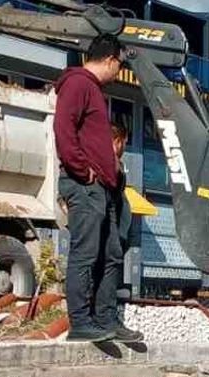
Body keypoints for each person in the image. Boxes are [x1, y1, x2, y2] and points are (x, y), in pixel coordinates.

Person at [55, 36, 143, 344]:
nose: (119, 72)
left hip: (102, 188)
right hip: (85, 186)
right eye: (119, 65)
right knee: (85, 253)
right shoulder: (78, 84)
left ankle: (106, 318)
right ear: (109, 59)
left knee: (111, 254)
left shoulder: (92, 89)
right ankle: (81, 322)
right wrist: (84, 171)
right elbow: (64, 131)